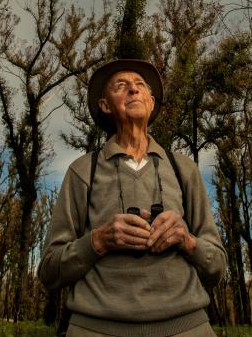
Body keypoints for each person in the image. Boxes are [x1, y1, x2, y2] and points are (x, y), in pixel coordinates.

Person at [38, 59, 227, 337]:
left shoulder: (183, 169)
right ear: (105, 105)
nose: (133, 91)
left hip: (187, 326)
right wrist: (99, 240)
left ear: (151, 103)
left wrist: (186, 240)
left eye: (140, 86)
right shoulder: (82, 171)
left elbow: (217, 268)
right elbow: (50, 271)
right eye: (121, 86)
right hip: (95, 328)